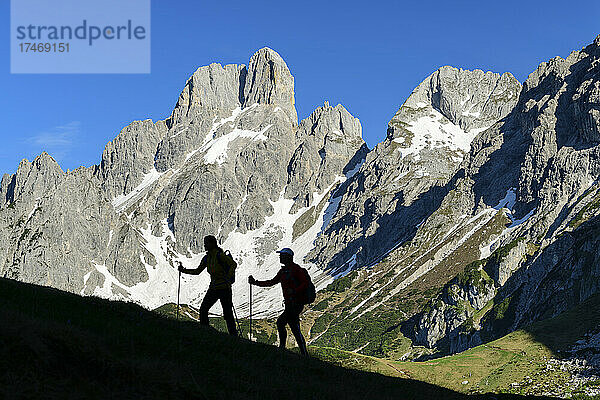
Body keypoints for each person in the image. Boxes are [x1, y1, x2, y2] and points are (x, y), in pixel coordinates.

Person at [248, 248, 309, 356]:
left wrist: (294, 291)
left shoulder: (295, 270)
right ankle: (302, 353)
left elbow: (304, 284)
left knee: (283, 323)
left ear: (288, 257)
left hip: (295, 304)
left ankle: (285, 348)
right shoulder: (285, 271)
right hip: (291, 304)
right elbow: (271, 282)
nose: (280, 257)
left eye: (282, 255)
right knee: (293, 327)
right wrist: (255, 282)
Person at [178, 235, 238, 336]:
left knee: (215, 311)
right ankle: (232, 335)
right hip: (219, 287)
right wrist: (183, 270)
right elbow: (198, 271)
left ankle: (207, 332)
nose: (205, 245)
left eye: (206, 243)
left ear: (212, 244)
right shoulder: (208, 257)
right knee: (217, 311)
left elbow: (233, 264)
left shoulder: (218, 256)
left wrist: (228, 277)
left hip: (222, 288)